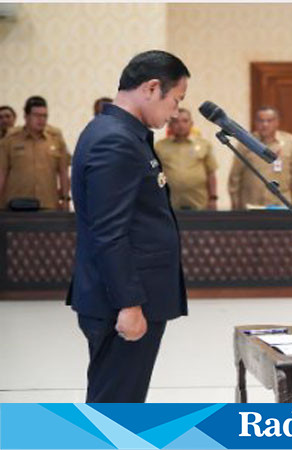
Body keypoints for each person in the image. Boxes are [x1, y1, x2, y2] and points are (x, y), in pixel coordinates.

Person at [67, 50, 190, 403]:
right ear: (152, 88)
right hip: (122, 301)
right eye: (175, 100)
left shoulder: (125, 133)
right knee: (116, 404)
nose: (175, 112)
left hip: (127, 295)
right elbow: (110, 231)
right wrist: (130, 305)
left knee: (120, 399)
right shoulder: (115, 140)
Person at [228, 106, 292, 209]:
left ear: (277, 122)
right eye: (261, 121)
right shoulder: (246, 142)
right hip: (251, 205)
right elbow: (235, 176)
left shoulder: (290, 142)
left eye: (269, 121)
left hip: (281, 205)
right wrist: (235, 204)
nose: (265, 125)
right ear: (255, 122)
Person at [0, 96, 70, 210]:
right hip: (16, 205)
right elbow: (2, 173)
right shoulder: (10, 140)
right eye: (37, 115)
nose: (41, 119)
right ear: (26, 116)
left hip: (48, 204)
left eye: (44, 116)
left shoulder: (56, 139)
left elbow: (63, 173)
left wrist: (66, 200)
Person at [155, 108, 218, 210]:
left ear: (191, 123)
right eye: (176, 121)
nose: (180, 125)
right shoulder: (159, 146)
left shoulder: (204, 145)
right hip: (169, 204)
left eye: (185, 121)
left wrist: (213, 199)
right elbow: (155, 174)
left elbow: (211, 174)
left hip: (199, 203)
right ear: (169, 125)